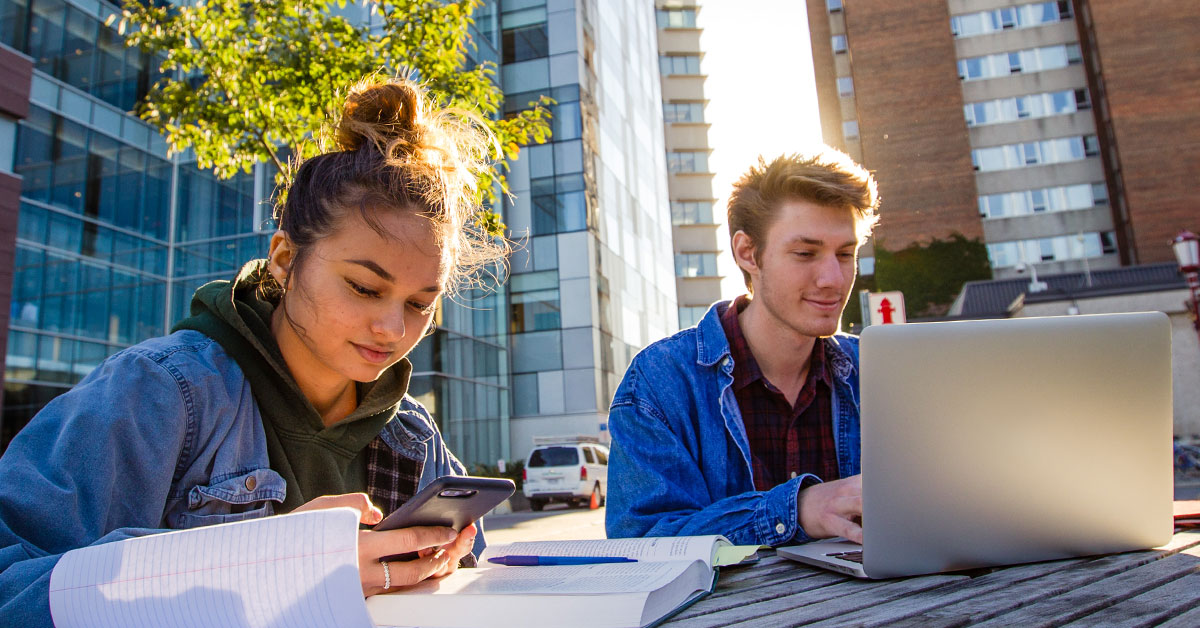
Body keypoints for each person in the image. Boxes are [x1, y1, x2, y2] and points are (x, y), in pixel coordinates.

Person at [0, 77, 504, 625]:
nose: (390, 328)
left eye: (420, 304)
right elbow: (11, 586)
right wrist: (265, 563)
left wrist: (445, 563)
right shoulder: (158, 392)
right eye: (364, 287)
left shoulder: (412, 433)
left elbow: (471, 581)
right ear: (285, 260)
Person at [605, 149, 880, 547]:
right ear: (747, 253)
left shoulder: (876, 370)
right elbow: (641, 541)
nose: (833, 279)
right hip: (724, 612)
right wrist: (796, 510)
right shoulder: (660, 381)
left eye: (845, 254)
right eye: (805, 253)